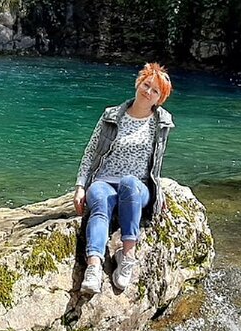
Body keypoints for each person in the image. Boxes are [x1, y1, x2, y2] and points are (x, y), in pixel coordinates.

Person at [73, 62, 174, 295]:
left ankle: (127, 255)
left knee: (129, 182)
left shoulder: (161, 123)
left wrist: (160, 192)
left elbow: (157, 163)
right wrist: (80, 186)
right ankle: (94, 267)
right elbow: (90, 152)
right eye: (146, 85)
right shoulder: (111, 115)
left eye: (155, 91)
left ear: (160, 99)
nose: (148, 92)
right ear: (138, 83)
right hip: (104, 181)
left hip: (137, 186)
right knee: (98, 199)